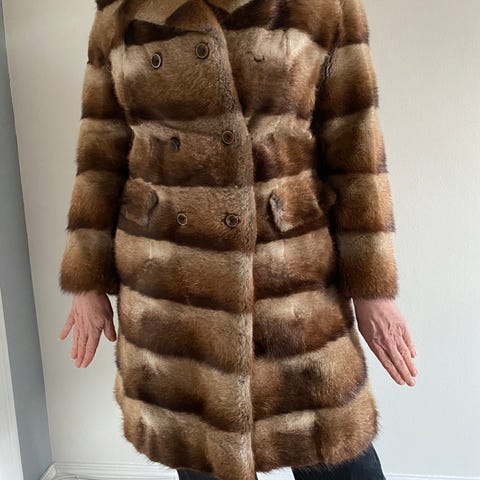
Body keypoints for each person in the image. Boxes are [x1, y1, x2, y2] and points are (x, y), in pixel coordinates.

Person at [58, 0, 418, 479]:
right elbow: (100, 154)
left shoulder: (323, 7)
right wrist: (86, 279)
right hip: (171, 281)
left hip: (292, 278)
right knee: (200, 453)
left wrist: (372, 290)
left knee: (337, 451)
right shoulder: (122, 9)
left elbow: (356, 151)